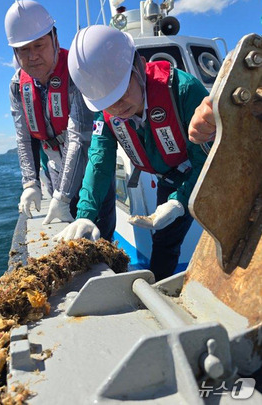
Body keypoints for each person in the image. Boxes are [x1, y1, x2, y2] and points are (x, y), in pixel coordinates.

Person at [55, 25, 210, 281]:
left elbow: (208, 159)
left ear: (138, 65)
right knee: (163, 240)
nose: (117, 106)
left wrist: (179, 201)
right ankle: (158, 285)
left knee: (186, 235)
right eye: (107, 101)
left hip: (197, 170)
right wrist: (85, 216)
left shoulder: (184, 90)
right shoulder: (106, 112)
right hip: (167, 175)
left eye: (121, 91)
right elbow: (99, 162)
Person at [4, 0, 115, 241]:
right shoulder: (16, 86)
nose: (32, 56)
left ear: (55, 39)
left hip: (89, 170)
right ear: (15, 53)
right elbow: (23, 137)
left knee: (100, 237)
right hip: (54, 169)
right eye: (23, 49)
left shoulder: (77, 72)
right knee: (63, 237)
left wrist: (63, 197)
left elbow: (79, 138)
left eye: (39, 45)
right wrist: (30, 184)